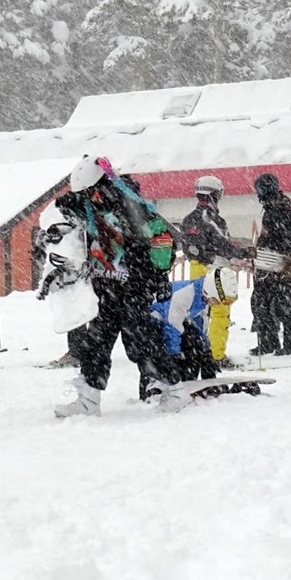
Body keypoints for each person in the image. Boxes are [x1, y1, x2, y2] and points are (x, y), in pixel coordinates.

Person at [53, 155, 178, 418]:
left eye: (90, 193)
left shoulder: (131, 205)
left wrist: (153, 278)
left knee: (141, 341)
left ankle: (168, 389)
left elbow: (150, 245)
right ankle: (88, 399)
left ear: (101, 186)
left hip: (134, 287)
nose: (88, 198)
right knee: (95, 343)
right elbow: (70, 205)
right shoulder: (94, 203)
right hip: (106, 288)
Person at [180, 175, 249, 369]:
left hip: (196, 268)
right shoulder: (213, 219)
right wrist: (242, 252)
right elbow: (223, 245)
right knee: (220, 312)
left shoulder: (188, 220)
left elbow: (189, 246)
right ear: (215, 194)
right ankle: (215, 355)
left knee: (197, 312)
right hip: (215, 269)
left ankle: (195, 352)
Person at [147, 268, 238, 392]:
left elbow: (200, 327)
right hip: (153, 321)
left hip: (173, 321)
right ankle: (153, 390)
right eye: (218, 300)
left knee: (194, 344)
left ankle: (189, 382)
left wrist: (206, 353)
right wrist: (175, 355)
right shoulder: (185, 295)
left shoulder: (203, 300)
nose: (218, 304)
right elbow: (172, 327)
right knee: (161, 354)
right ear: (211, 291)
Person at [251, 173, 291, 356]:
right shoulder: (273, 206)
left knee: (283, 303)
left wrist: (266, 247)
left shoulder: (280, 207)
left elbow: (282, 237)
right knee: (261, 302)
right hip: (268, 261)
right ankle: (268, 342)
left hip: (281, 261)